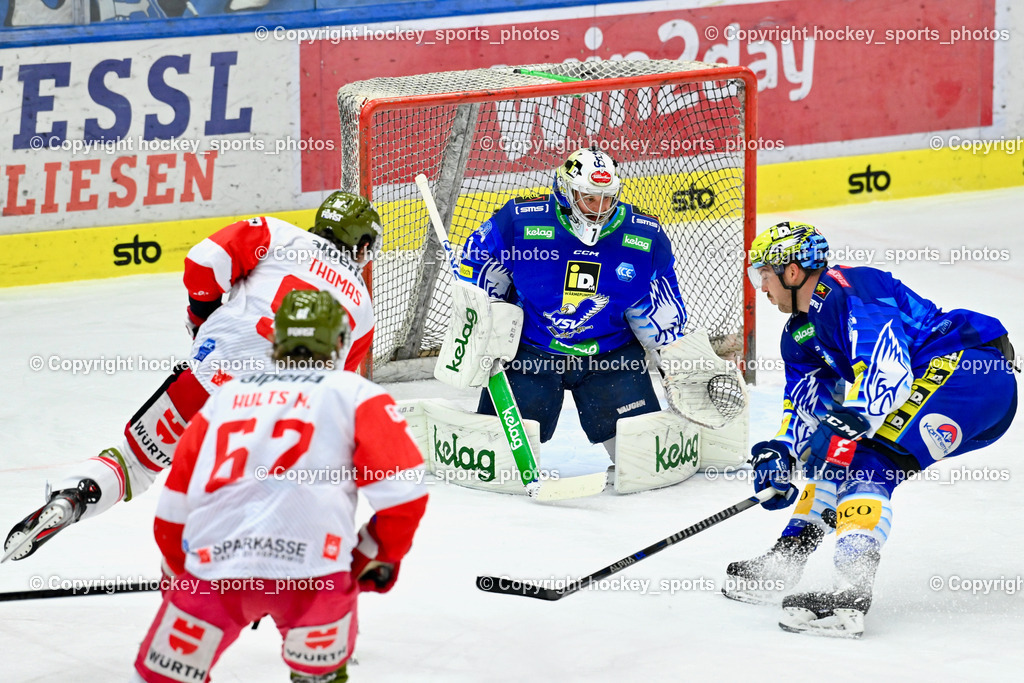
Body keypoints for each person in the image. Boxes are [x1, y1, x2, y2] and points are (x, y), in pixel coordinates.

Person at [4, 192, 382, 562]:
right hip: (277, 414)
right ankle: (253, 572)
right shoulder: (362, 308)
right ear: (361, 243)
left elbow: (203, 262)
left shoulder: (278, 234)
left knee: (135, 462)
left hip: (210, 376)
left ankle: (72, 498)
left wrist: (203, 319)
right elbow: (338, 390)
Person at [723, 221, 1018, 637]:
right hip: (955, 393)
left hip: (968, 373)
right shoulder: (800, 334)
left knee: (865, 460)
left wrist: (849, 420)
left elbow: (889, 369)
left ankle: (849, 595)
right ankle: (785, 560)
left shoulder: (850, 287)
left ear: (791, 272)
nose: (762, 288)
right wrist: (784, 451)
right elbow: (807, 409)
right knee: (834, 459)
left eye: (764, 276)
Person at [131, 289, 427, 683]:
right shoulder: (356, 394)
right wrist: (370, 555)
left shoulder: (224, 398)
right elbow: (404, 496)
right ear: (340, 341)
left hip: (217, 575)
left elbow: (173, 511)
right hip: (315, 579)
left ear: (276, 339)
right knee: (319, 678)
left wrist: (181, 574)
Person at [446, 145, 698, 456]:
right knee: (498, 454)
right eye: (589, 197)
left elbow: (657, 308)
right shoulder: (520, 222)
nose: (598, 208)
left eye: (607, 198)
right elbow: (480, 273)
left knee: (641, 455)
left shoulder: (644, 236)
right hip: (531, 353)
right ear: (566, 192)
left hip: (611, 355)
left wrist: (672, 358)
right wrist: (485, 324)